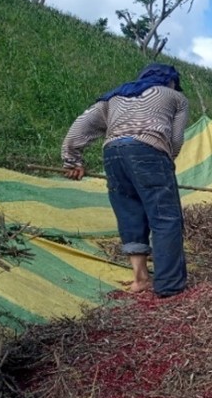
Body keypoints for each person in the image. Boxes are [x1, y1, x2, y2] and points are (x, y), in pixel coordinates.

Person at [61, 63, 189, 297]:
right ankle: (169, 286)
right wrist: (164, 164)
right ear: (170, 81)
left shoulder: (116, 95)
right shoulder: (175, 96)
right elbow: (176, 138)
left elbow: (81, 125)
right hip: (148, 150)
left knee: (130, 214)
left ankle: (140, 279)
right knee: (165, 217)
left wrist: (73, 161)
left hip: (113, 154)